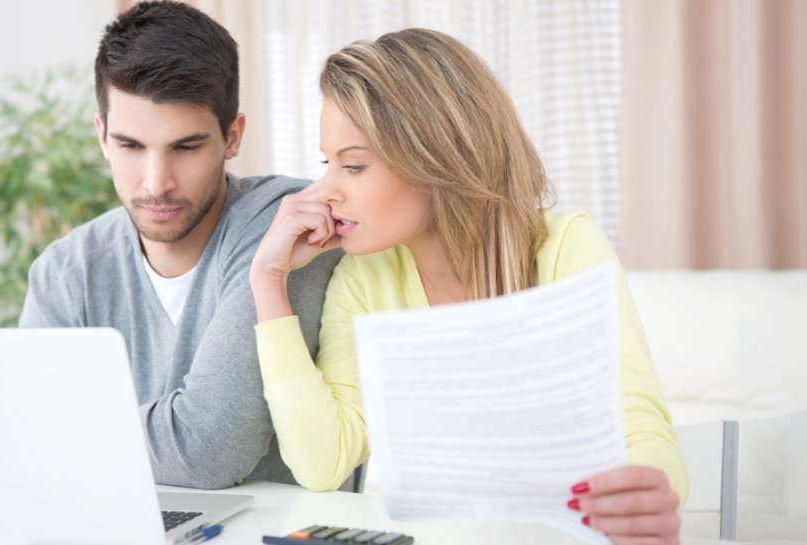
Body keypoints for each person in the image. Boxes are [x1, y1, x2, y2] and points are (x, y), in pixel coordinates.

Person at [250, 28, 688, 542]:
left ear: (433, 158)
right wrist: (268, 282)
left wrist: (648, 494)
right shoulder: (363, 279)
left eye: (353, 165)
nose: (324, 191)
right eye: (328, 163)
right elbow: (321, 463)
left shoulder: (567, 247)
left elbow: (641, 429)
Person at [19, 0, 339, 489]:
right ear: (102, 135)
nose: (156, 183)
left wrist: (75, 431)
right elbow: (28, 435)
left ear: (233, 137)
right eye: (130, 146)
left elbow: (208, 448)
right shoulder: (65, 272)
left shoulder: (286, 225)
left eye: (185, 147)